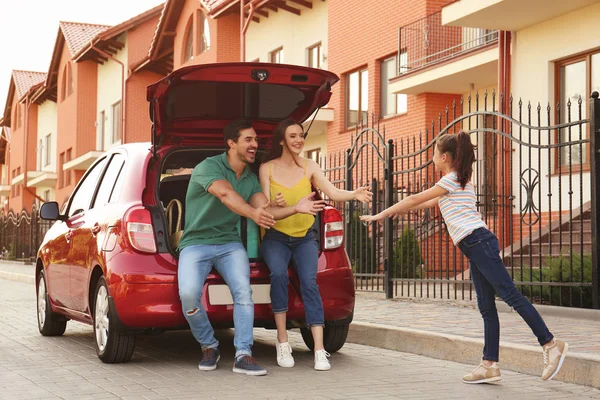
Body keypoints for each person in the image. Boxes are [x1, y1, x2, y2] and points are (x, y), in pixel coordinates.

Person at [360, 131, 568, 383]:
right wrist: (399, 210)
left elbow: (415, 197)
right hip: (474, 244)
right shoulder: (456, 181)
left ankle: (550, 343)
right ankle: (489, 364)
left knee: (510, 295)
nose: (432, 158)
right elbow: (423, 203)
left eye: (434, 154)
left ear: (444, 157)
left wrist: (380, 215)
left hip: (478, 241)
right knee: (486, 306)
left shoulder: (452, 179)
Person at [177, 119, 323, 376]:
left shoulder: (250, 179)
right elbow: (226, 195)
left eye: (256, 140)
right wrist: (254, 214)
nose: (255, 144)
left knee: (244, 292)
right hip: (196, 243)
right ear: (231, 144)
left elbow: (264, 208)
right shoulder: (208, 167)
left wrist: (290, 207)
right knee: (188, 295)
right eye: (248, 140)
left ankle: (243, 354)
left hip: (230, 244)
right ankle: (209, 345)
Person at [259, 119, 373, 371]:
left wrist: (354, 194)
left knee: (310, 282)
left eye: (301, 135)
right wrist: (275, 203)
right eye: (293, 136)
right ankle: (282, 341)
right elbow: (264, 208)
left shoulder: (310, 166)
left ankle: (320, 351)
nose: (299, 140)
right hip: (276, 238)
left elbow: (331, 192)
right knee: (278, 274)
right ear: (281, 140)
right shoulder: (267, 168)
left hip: (304, 239)